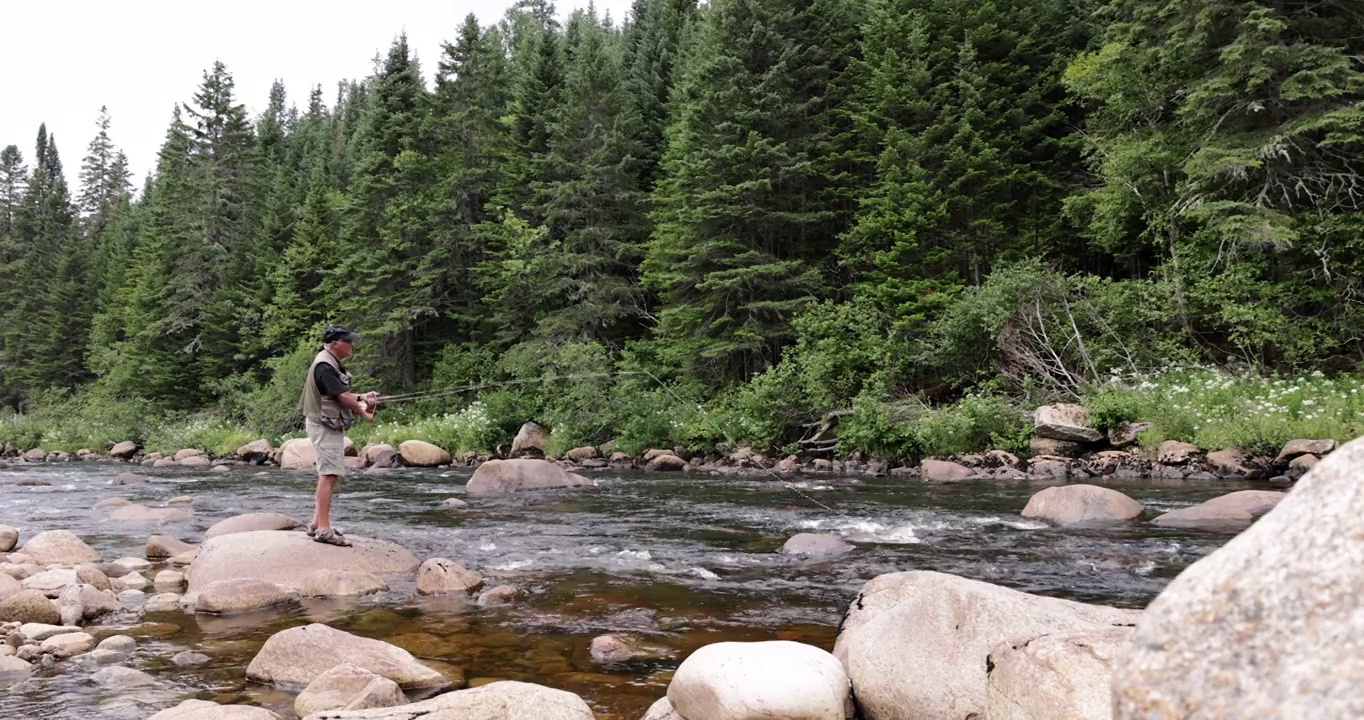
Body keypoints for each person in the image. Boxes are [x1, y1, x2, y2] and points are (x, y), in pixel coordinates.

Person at [299, 324, 379, 547]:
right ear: (335, 343)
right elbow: (344, 398)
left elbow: (341, 394)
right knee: (329, 475)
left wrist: (363, 397)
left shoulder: (329, 362)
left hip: (325, 424)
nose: (352, 345)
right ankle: (324, 530)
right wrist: (364, 406)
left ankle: (316, 523)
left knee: (328, 474)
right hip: (323, 426)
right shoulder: (324, 366)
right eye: (348, 341)